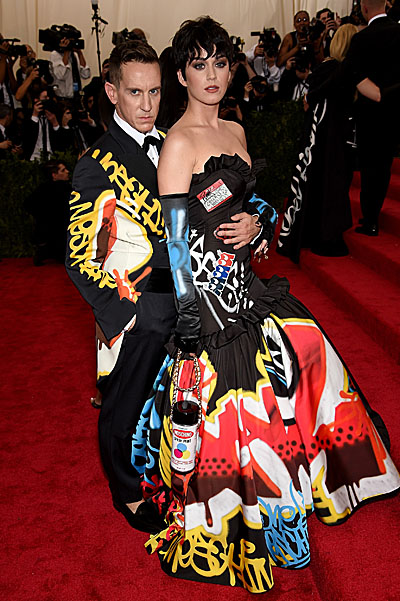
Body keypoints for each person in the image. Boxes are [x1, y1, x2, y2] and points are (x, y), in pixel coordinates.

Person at [131, 16, 400, 593]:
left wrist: (257, 224)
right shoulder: (177, 143)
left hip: (248, 286)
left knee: (307, 353)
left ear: (232, 69)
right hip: (207, 304)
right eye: (198, 65)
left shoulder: (236, 129)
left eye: (219, 63)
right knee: (240, 415)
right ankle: (246, 521)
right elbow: (174, 244)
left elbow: (251, 210)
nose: (211, 75)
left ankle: (302, 493)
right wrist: (190, 326)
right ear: (180, 75)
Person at [65, 40, 262, 534]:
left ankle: (173, 478)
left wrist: (253, 223)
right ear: (112, 92)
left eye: (154, 91)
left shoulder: (173, 139)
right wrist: (125, 317)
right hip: (141, 306)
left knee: (176, 405)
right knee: (124, 403)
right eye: (135, 93)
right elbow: (80, 257)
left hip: (196, 295)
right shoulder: (96, 163)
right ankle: (126, 491)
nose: (147, 104)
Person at [277, 23, 381, 261]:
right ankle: (327, 236)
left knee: (319, 186)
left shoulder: (327, 67)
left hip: (321, 141)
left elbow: (312, 101)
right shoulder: (344, 69)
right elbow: (375, 94)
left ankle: (314, 233)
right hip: (335, 142)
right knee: (332, 188)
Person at [344, 0, 400, 236]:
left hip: (368, 114)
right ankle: (372, 216)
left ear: (364, 8)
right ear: (386, 5)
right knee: (384, 165)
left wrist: (377, 94)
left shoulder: (361, 39)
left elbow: (352, 74)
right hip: (394, 111)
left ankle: (370, 219)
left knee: (369, 167)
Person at [25, 160, 71, 265]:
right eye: (63, 170)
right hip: (55, 233)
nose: (67, 172)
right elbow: (28, 204)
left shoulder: (45, 188)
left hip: (58, 233)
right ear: (54, 175)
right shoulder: (65, 189)